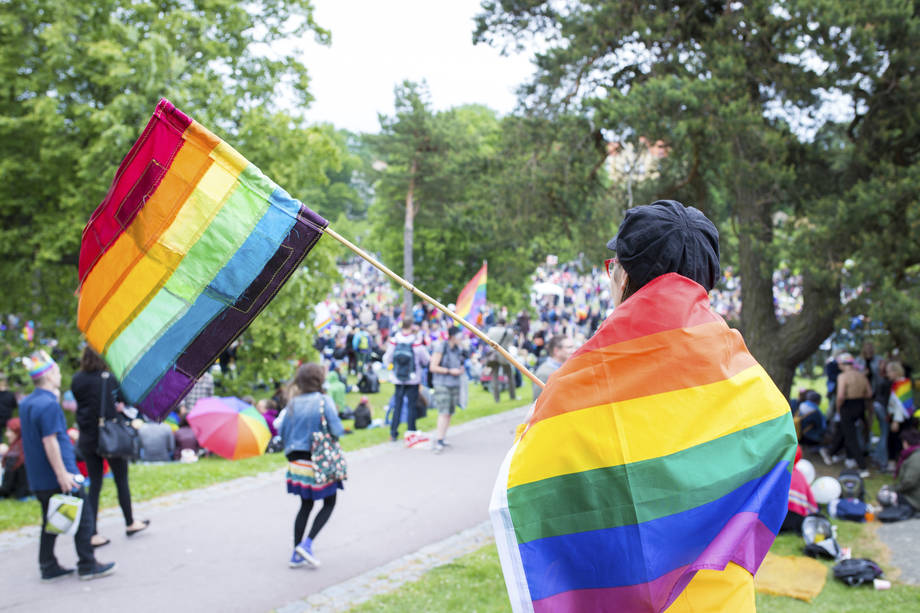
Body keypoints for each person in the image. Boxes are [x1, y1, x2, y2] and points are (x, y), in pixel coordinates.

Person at [490, 200, 796, 612]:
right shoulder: (752, 385)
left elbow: (533, 486)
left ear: (625, 278)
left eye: (612, 267)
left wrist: (538, 425)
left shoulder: (581, 382)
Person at [19, 350, 116, 581]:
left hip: (38, 477)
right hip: (59, 475)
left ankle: (48, 565)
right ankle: (87, 564)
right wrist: (63, 473)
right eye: (57, 371)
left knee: (50, 521)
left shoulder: (27, 403)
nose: (60, 375)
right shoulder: (49, 404)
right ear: (49, 375)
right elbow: (50, 441)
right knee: (84, 518)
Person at [71, 347, 150, 546]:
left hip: (87, 438)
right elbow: (125, 399)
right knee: (121, 480)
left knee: (95, 485)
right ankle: (130, 522)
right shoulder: (108, 378)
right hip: (110, 436)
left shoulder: (77, 380)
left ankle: (92, 532)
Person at [280, 363, 345, 569]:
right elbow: (337, 430)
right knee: (329, 502)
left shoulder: (293, 403)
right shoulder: (324, 401)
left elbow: (282, 431)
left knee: (305, 505)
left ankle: (296, 553)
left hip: (297, 463)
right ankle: (306, 545)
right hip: (318, 460)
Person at [820, 353, 872, 477]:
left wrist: (839, 409)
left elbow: (840, 396)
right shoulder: (861, 375)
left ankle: (863, 467)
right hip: (860, 405)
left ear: (843, 364)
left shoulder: (842, 376)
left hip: (847, 406)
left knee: (851, 437)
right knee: (844, 431)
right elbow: (869, 393)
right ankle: (830, 453)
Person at [383, 320, 430, 442]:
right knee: (411, 406)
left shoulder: (394, 341)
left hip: (398, 379)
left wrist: (393, 369)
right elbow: (425, 359)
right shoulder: (416, 342)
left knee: (397, 406)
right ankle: (411, 432)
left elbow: (387, 358)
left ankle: (393, 432)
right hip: (413, 379)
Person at [429, 326, 464, 453]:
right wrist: (449, 371)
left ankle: (443, 437)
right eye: (459, 336)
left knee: (449, 412)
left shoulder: (458, 349)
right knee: (443, 412)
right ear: (453, 336)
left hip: (454, 383)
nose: (461, 339)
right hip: (442, 383)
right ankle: (439, 439)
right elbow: (433, 367)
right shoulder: (441, 347)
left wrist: (459, 370)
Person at [532, 335, 575, 401]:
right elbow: (539, 402)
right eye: (569, 347)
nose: (574, 350)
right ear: (556, 351)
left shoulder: (567, 368)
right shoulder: (544, 374)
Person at [486, 319, 516, 402]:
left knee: (494, 377)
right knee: (510, 376)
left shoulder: (491, 330)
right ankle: (512, 396)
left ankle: (496, 399)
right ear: (504, 323)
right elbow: (511, 342)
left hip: (493, 356)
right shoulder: (508, 331)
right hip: (504, 355)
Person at [0, 417, 29, 499]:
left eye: (9, 431)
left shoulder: (14, 454)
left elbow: (6, 488)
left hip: (20, 494)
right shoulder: (28, 449)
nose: (6, 434)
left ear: (17, 432)